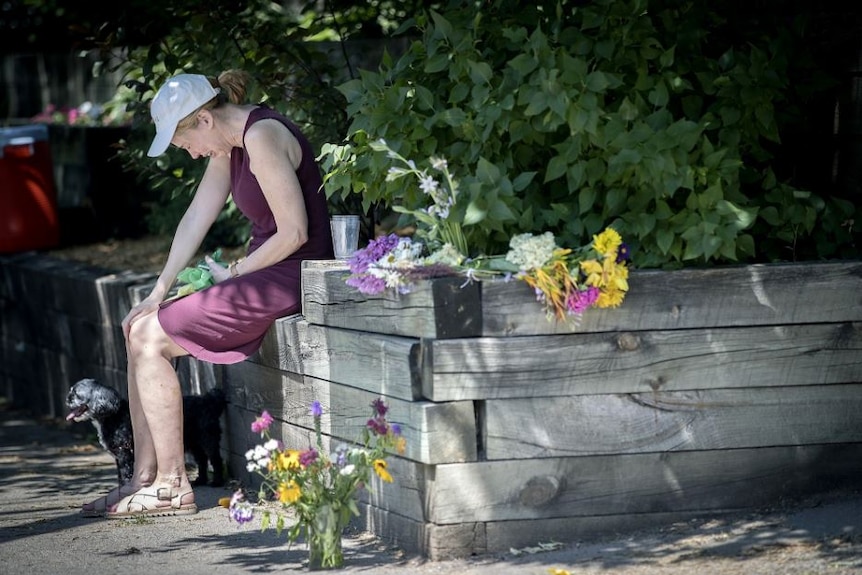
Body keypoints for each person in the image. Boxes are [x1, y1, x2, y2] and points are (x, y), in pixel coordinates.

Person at [80, 70, 334, 518]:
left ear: (203, 120)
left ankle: (173, 486)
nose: (193, 153)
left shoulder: (262, 135)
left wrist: (233, 272)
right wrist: (157, 291)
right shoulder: (231, 144)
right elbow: (196, 217)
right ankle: (141, 478)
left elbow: (294, 232)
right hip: (262, 273)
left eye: (186, 144)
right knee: (140, 325)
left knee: (152, 339)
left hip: (291, 273)